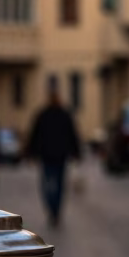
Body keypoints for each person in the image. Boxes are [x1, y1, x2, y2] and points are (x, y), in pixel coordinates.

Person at [27, 87, 82, 226]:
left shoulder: (44, 115)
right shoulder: (62, 115)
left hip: (50, 156)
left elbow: (35, 136)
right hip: (57, 156)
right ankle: (55, 211)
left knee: (48, 185)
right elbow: (72, 135)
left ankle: (53, 210)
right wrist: (76, 152)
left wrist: (31, 153)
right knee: (57, 185)